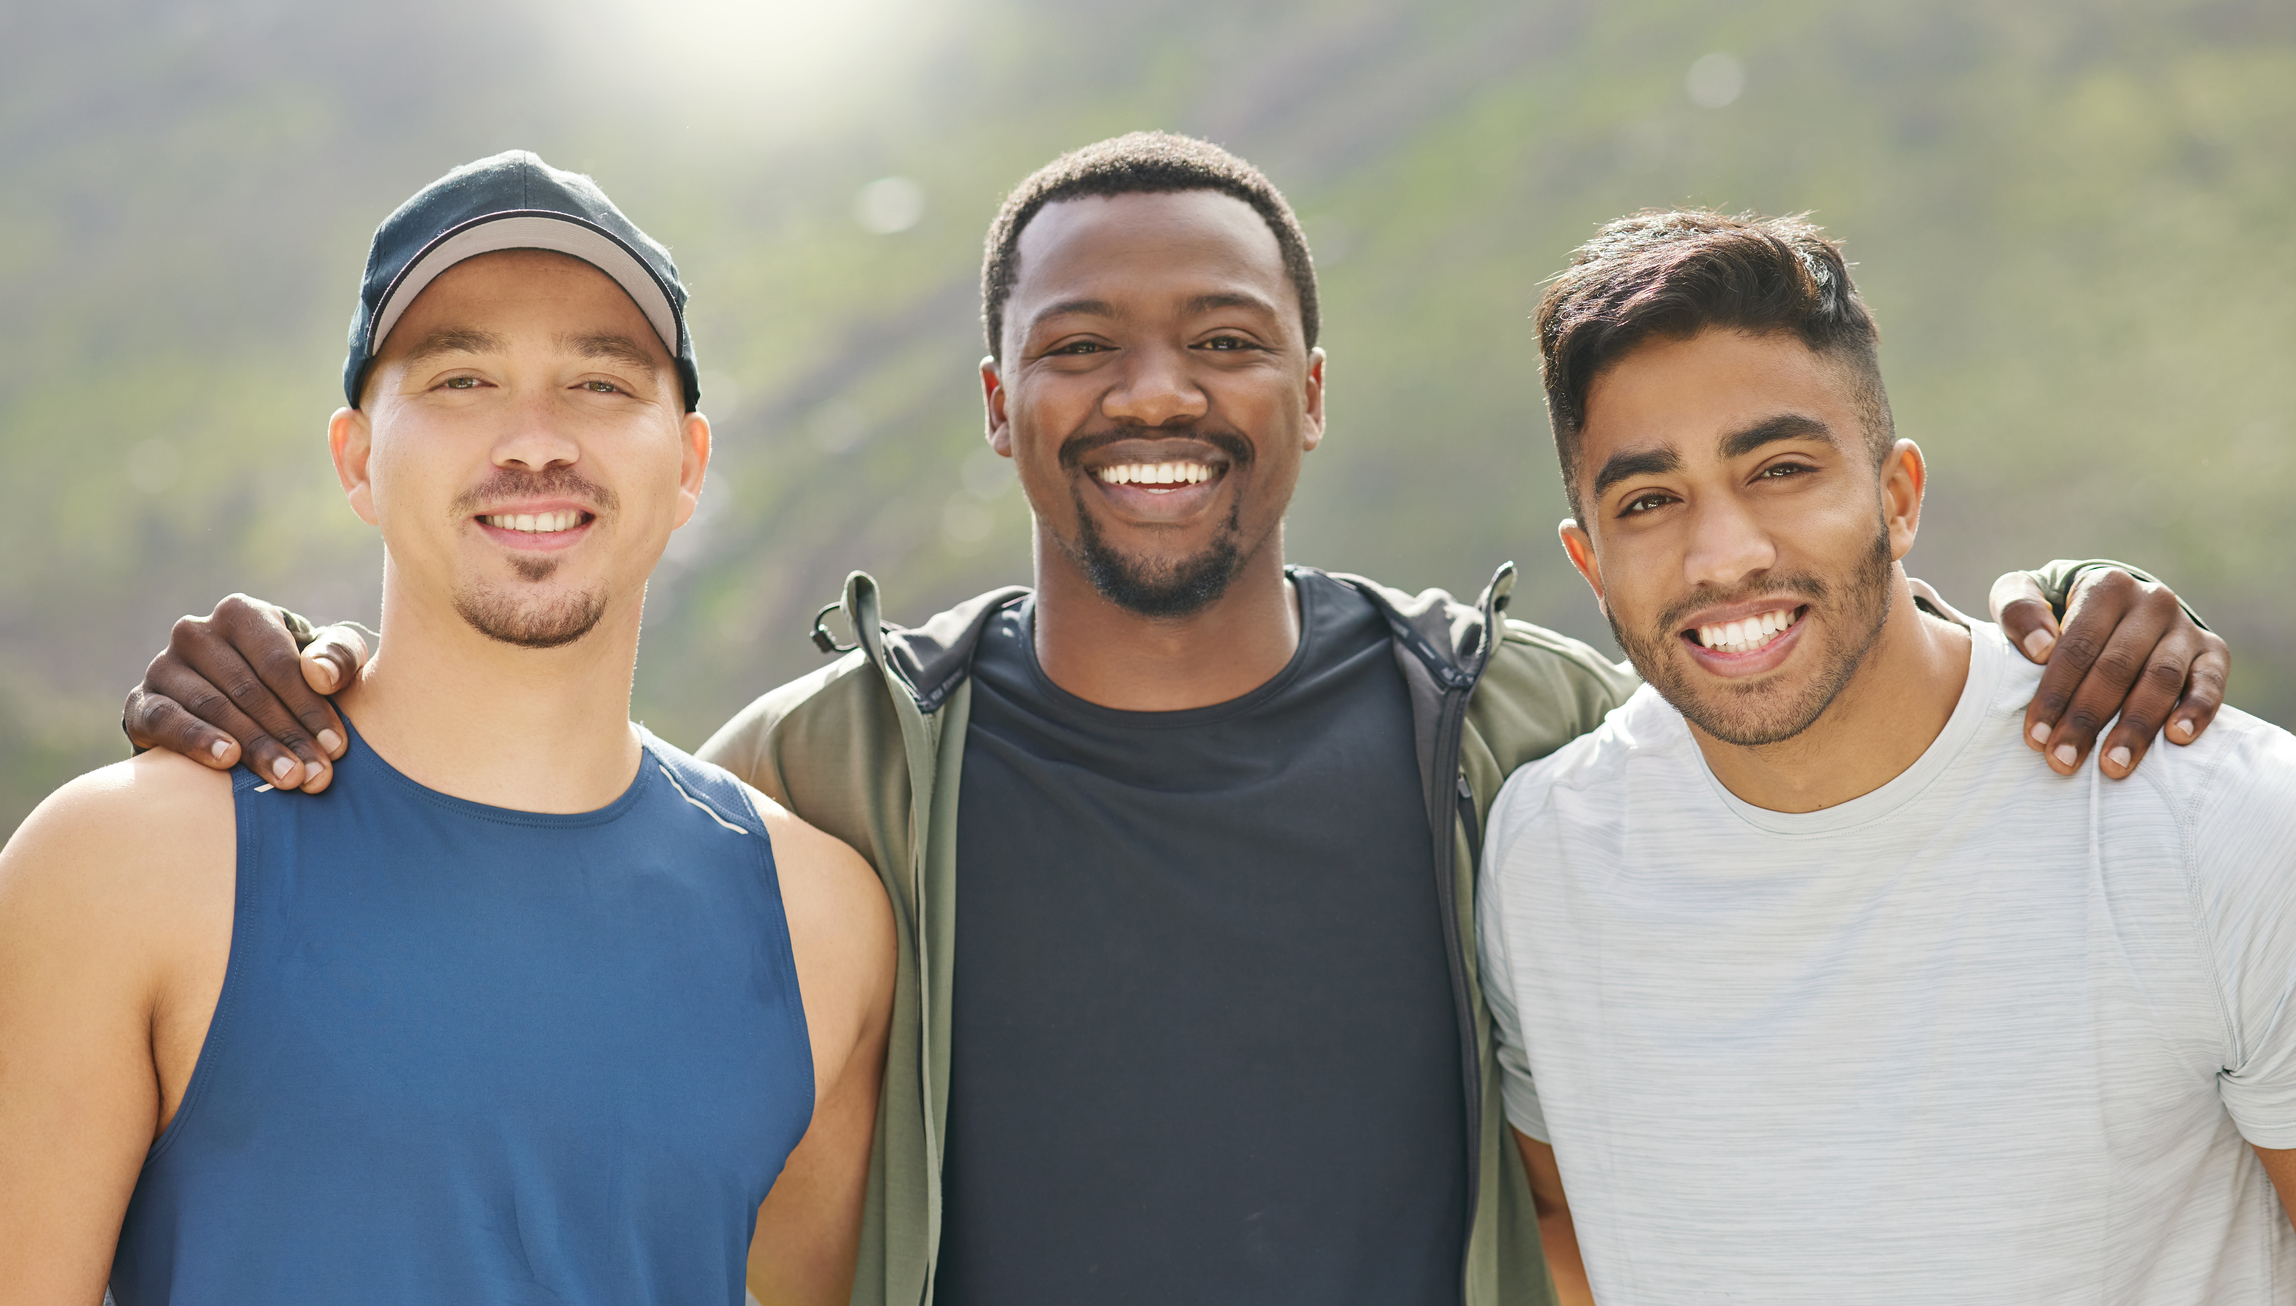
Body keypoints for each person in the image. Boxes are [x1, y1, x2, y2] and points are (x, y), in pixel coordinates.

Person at [116, 136, 2227, 1306]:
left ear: (1305, 396)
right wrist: (309, 678)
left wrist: (2043, 626)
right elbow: (544, 820)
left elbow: (1783, 689)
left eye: (1222, 338)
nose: (1152, 391)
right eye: (1078, 344)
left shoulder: (1507, 726)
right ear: (997, 405)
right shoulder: (829, 770)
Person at [0, 152, 893, 1305]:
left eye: (602, 385)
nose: (533, 439)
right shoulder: (117, 865)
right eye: (462, 379)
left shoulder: (822, 922)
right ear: (359, 458)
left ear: (688, 464)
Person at [1477, 208, 2296, 1304]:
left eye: (1777, 468)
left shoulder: (2214, 823)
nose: (1724, 554)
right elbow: (1578, 1236)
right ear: (1588, 560)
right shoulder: (1540, 861)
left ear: (1896, 497)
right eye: (1649, 500)